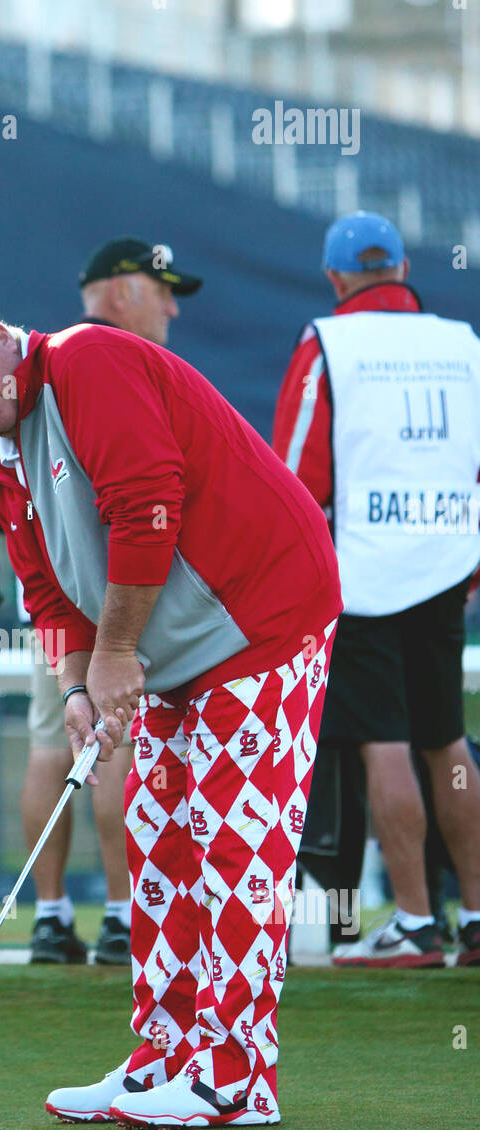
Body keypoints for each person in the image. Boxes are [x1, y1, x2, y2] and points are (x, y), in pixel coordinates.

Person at [0, 299, 341, 1130]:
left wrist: (114, 656)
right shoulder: (1, 463)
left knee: (232, 847)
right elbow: (46, 594)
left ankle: (235, 1080)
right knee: (160, 842)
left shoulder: (86, 361)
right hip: (177, 655)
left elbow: (147, 507)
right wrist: (76, 686)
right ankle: (164, 1056)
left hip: (261, 618)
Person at [273, 211, 480, 969]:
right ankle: (477, 918)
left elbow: (293, 478)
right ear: (399, 268)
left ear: (335, 278)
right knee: (445, 741)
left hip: (357, 576)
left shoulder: (325, 342)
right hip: (444, 568)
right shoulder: (462, 344)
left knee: (381, 743)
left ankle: (416, 923)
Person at [14, 235, 204, 965]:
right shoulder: (101, 362)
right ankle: (123, 917)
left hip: (50, 590)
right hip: (115, 596)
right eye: (164, 290)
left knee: (52, 743)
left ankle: (51, 917)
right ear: (125, 288)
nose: (173, 309)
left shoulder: (45, 371)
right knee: (105, 746)